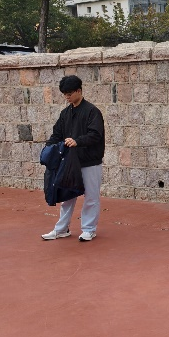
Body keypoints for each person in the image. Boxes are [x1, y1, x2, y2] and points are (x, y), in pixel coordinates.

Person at [41, 75, 105, 242]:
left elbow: (95, 135)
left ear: (79, 91)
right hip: (70, 162)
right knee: (67, 195)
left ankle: (89, 229)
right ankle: (62, 229)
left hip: (90, 162)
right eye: (64, 94)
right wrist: (48, 148)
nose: (67, 97)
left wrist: (77, 141)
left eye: (69, 93)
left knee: (91, 197)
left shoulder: (92, 111)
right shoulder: (65, 114)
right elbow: (57, 134)